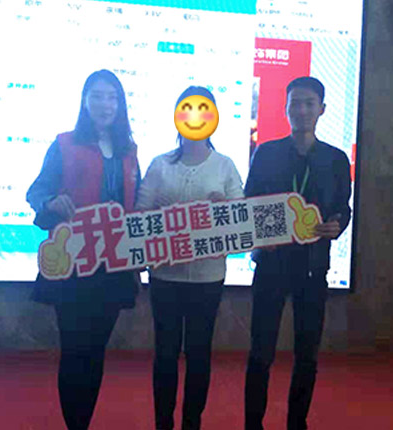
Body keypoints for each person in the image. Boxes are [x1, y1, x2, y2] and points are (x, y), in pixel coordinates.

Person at [26, 69, 141, 430]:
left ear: (120, 104)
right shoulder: (64, 144)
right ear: (85, 101)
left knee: (95, 352)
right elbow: (36, 192)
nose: (105, 104)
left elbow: (137, 205)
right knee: (75, 350)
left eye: (112, 97)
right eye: (97, 96)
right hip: (73, 265)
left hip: (114, 267)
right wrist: (51, 202)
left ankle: (83, 422)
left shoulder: (130, 152)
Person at [243, 77, 352, 430]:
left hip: (313, 266)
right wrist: (259, 236)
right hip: (271, 263)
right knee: (261, 352)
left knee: (307, 355)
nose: (302, 110)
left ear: (322, 109)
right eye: (295, 103)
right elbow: (249, 202)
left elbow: (343, 208)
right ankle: (253, 423)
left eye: (309, 104)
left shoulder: (336, 160)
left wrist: (338, 224)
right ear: (286, 108)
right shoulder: (267, 153)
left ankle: (297, 422)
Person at [136, 86, 244, 430]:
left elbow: (239, 220)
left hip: (207, 278)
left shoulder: (224, 166)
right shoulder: (159, 165)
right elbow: (139, 216)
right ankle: (163, 423)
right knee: (165, 354)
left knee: (199, 354)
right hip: (164, 276)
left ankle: (192, 423)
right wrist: (159, 217)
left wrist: (224, 211)